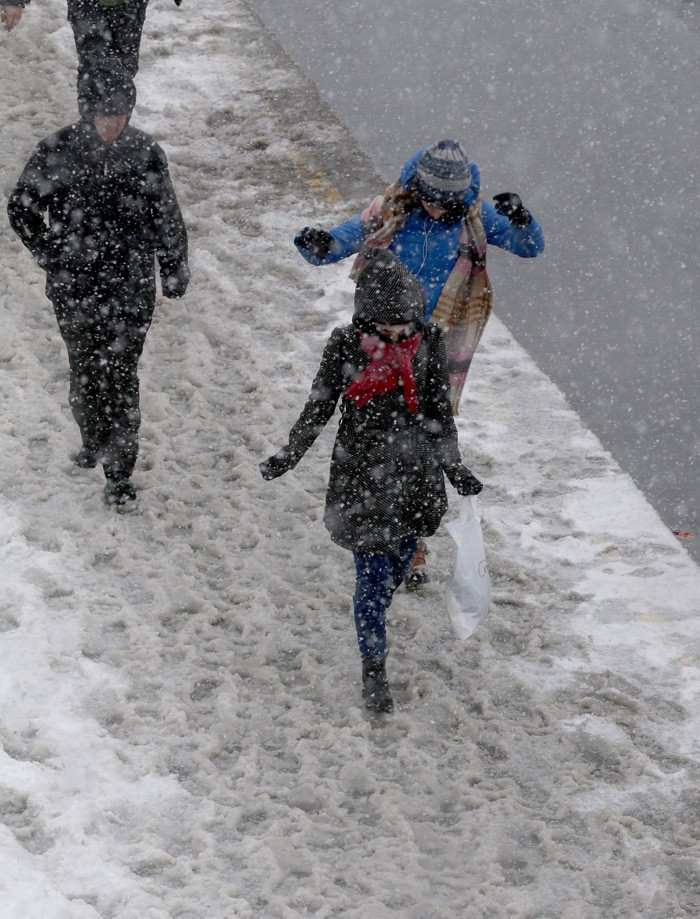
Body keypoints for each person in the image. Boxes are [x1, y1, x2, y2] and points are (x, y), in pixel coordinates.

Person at [294, 138, 544, 584]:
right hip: (383, 342)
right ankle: (375, 529)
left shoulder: (476, 218)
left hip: (438, 347)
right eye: (428, 199)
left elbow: (529, 247)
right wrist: (316, 242)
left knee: (428, 436)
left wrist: (522, 219)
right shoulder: (391, 210)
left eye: (444, 202)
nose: (434, 209)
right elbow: (341, 241)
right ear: (415, 188)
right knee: (374, 435)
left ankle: (411, 542)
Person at [260, 250, 483, 714]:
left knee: (398, 564)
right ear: (366, 320)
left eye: (406, 325)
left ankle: (377, 611)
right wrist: (291, 453)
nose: (399, 335)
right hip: (361, 474)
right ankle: (373, 666)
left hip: (416, 474)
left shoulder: (430, 343)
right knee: (370, 578)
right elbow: (319, 405)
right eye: (387, 327)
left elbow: (439, 413)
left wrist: (454, 467)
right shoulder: (343, 345)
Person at [8, 59, 189, 507]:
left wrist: (173, 266)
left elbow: (165, 213)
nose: (112, 124)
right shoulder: (57, 150)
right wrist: (53, 253)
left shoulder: (145, 152)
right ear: (87, 111)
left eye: (120, 116)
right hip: (76, 286)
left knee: (121, 375)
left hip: (130, 285)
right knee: (87, 369)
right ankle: (92, 436)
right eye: (104, 115)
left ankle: (119, 472)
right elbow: (22, 208)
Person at [0, 0, 182, 78]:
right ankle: (93, 139)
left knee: (125, 71)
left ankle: (117, 139)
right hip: (87, 6)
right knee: (95, 70)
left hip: (129, 7)